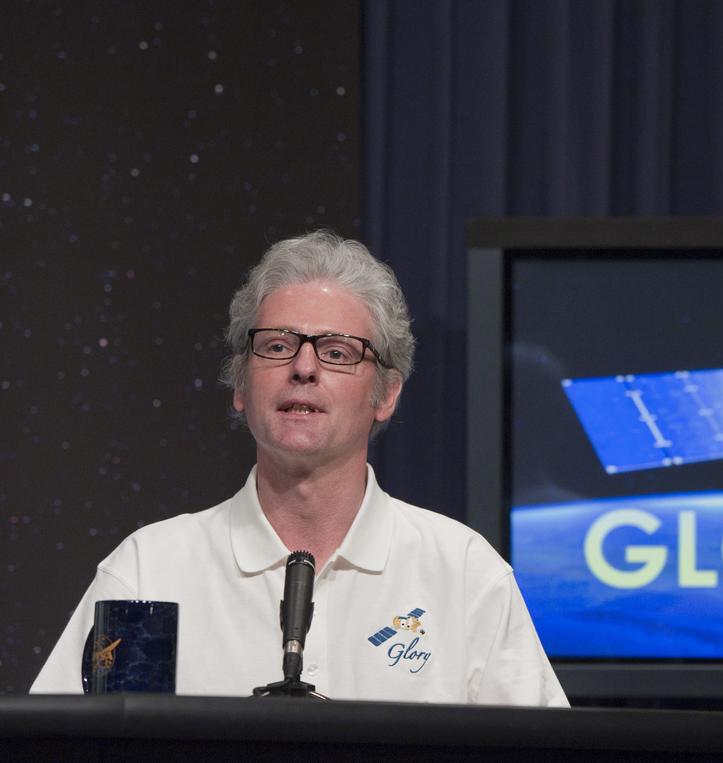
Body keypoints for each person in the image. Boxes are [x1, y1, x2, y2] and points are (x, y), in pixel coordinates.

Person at [30, 231, 568, 706]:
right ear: (241, 385)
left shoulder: (465, 574)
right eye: (278, 346)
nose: (303, 368)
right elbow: (69, 747)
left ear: (387, 394)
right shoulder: (151, 570)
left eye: (337, 351)